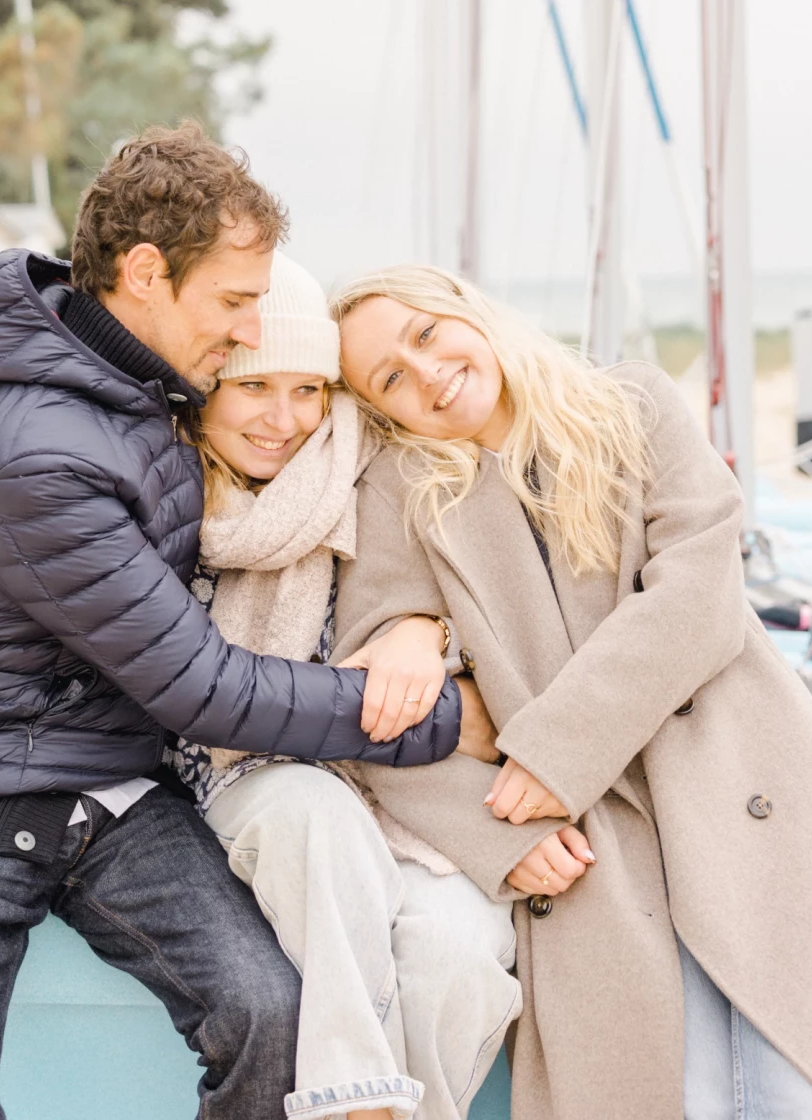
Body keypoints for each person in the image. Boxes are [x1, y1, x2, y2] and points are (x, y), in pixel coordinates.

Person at [0, 129, 461, 1120]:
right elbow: (204, 689)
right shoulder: (40, 450)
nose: (247, 329)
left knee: (270, 1016)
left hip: (118, 800)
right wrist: (444, 722)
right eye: (232, 302)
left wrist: (421, 623)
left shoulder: (142, 395)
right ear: (144, 273)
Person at [331, 263, 812, 1120]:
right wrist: (491, 835)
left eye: (424, 334)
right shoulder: (402, 495)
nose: (428, 373)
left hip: (750, 793)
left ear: (465, 311)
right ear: (383, 414)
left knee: (807, 1088)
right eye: (391, 380)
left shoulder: (630, 408)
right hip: (587, 861)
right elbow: (371, 712)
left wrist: (557, 750)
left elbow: (700, 596)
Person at [168, 252, 521, 1120]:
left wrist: (426, 632)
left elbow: (472, 607)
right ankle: (356, 1106)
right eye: (254, 387)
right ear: (207, 387)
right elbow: (182, 702)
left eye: (309, 389)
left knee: (460, 952)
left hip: (400, 793)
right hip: (243, 777)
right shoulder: (165, 498)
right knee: (313, 819)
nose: (284, 421)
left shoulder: (371, 471)